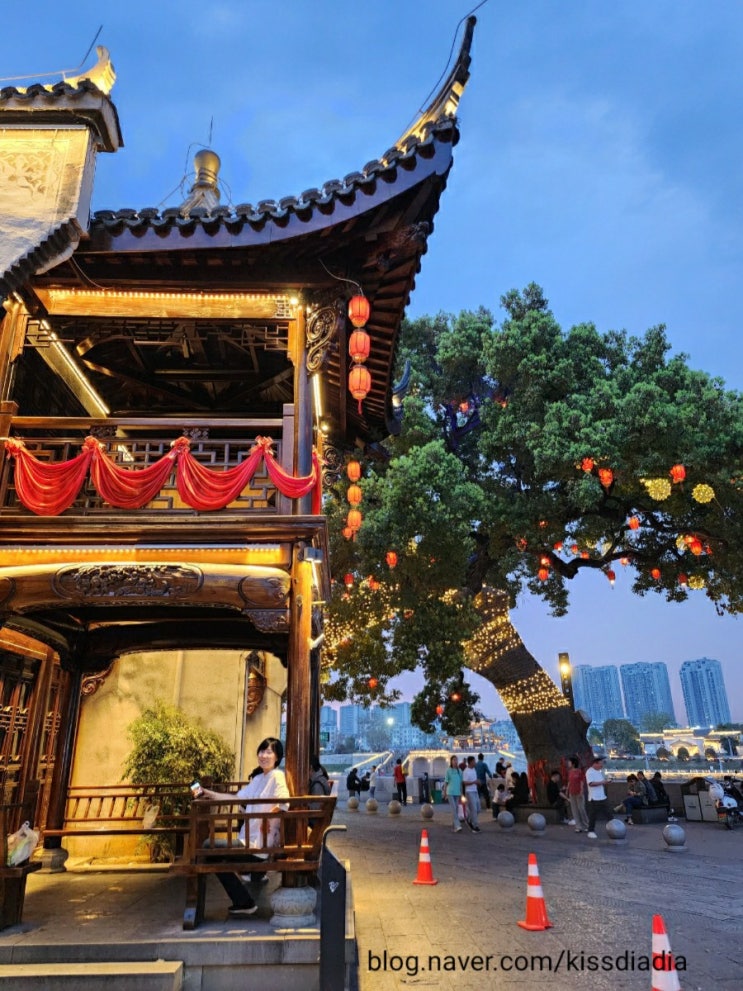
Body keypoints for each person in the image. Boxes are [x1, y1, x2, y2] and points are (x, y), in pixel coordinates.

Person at [199, 736, 289, 917]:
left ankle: (243, 901)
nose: (264, 755)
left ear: (277, 757)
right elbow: (237, 798)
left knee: (208, 846)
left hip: (257, 845)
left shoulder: (277, 776)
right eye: (262, 751)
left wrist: (267, 820)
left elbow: (284, 803)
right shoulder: (258, 778)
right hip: (246, 840)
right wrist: (210, 794)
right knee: (212, 857)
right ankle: (243, 902)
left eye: (269, 752)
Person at [585, 753, 610, 838]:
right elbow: (591, 783)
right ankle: (590, 831)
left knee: (609, 813)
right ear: (595, 763)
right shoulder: (590, 772)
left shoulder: (599, 772)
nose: (602, 765)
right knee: (593, 815)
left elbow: (601, 782)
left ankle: (614, 828)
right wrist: (603, 782)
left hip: (602, 796)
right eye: (601, 764)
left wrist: (605, 782)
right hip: (594, 798)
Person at [566, 756, 590, 833]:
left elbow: (582, 782)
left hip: (579, 792)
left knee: (581, 809)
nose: (568, 763)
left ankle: (587, 825)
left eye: (569, 762)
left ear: (573, 763)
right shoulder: (570, 772)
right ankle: (578, 826)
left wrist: (581, 791)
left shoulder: (579, 771)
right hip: (571, 792)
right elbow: (569, 781)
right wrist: (567, 790)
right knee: (574, 810)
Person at [443, 755, 464, 832]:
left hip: (457, 792)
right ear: (451, 761)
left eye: (456, 760)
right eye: (454, 760)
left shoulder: (459, 771)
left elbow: (461, 783)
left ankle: (455, 824)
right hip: (450, 792)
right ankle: (457, 825)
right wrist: (444, 792)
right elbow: (446, 782)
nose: (455, 761)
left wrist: (462, 793)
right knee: (454, 809)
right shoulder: (448, 770)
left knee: (456, 809)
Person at [462, 755, 481, 831]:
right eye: (474, 761)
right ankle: (475, 825)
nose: (475, 762)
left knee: (478, 808)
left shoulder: (474, 770)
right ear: (470, 762)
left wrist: (477, 783)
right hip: (469, 792)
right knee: (474, 809)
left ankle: (469, 819)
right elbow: (465, 782)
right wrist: (474, 782)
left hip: (475, 791)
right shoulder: (466, 771)